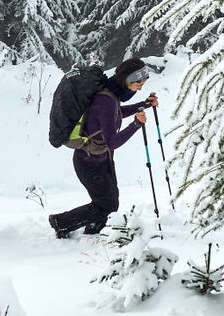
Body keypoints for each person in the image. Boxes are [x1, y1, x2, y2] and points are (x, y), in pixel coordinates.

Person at [49, 57, 157, 238]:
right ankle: (61, 222)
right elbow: (112, 141)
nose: (140, 87)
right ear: (128, 80)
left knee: (109, 200)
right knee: (108, 204)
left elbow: (116, 114)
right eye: (139, 83)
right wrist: (136, 125)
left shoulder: (111, 95)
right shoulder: (105, 100)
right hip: (89, 162)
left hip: (101, 158)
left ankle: (93, 230)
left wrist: (143, 105)